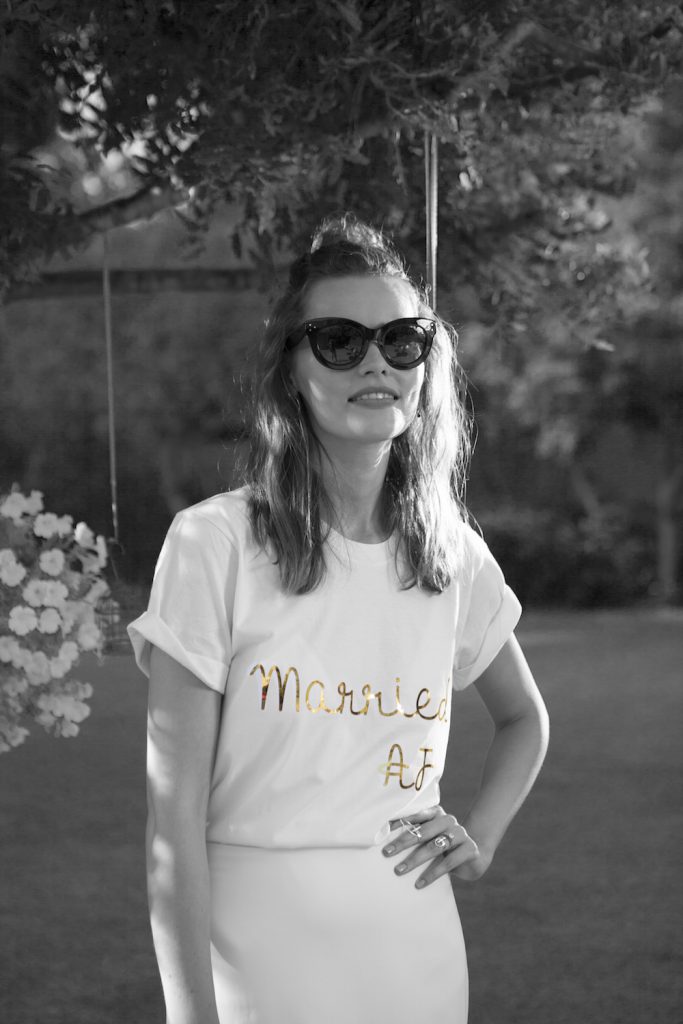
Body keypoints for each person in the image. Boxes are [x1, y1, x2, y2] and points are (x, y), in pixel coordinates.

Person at [128, 214, 549, 1024]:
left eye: (401, 340)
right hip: (257, 952)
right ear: (289, 368)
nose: (374, 362)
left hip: (417, 950)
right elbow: (170, 823)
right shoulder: (214, 542)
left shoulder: (451, 553)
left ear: (426, 363)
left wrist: (481, 835)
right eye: (338, 341)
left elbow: (524, 718)